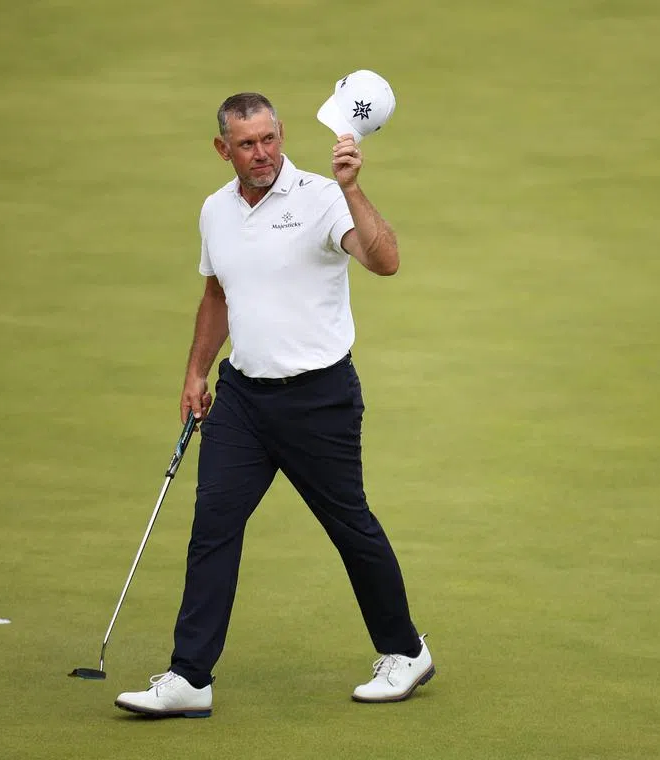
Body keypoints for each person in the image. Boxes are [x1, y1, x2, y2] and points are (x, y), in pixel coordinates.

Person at [114, 92, 434, 718]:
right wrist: (196, 371)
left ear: (282, 134)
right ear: (222, 148)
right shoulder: (215, 210)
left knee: (351, 528)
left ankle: (406, 651)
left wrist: (354, 189)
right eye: (246, 144)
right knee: (213, 529)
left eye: (269, 139)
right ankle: (190, 676)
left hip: (319, 400)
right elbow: (217, 294)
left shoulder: (321, 197)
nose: (261, 154)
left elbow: (385, 261)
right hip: (241, 400)